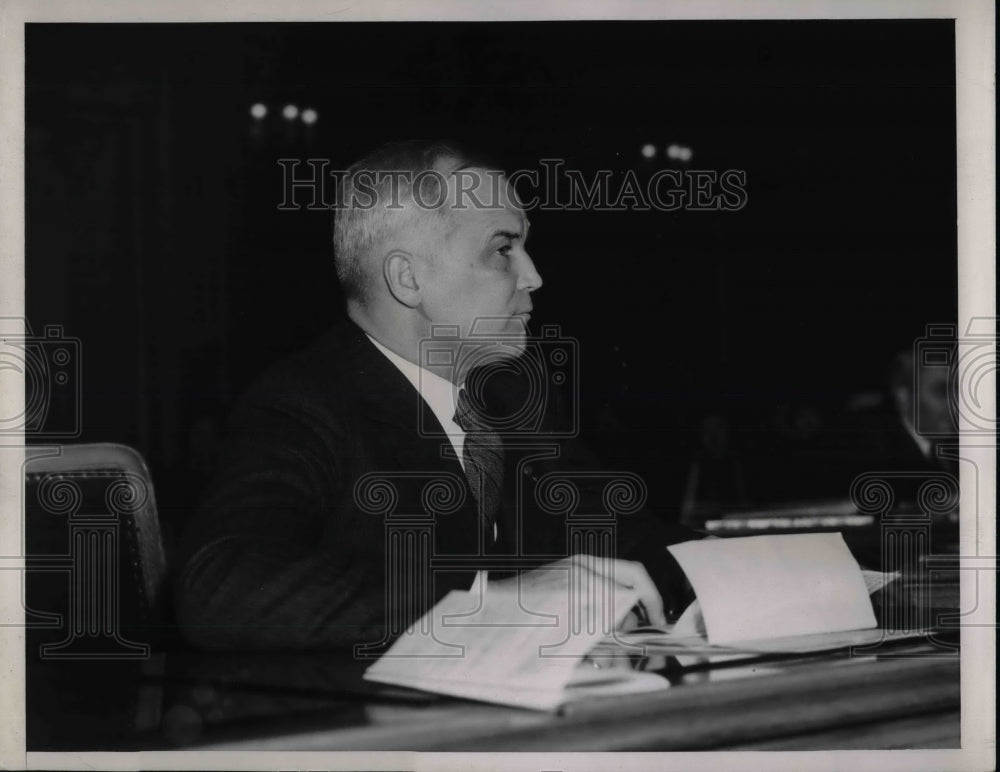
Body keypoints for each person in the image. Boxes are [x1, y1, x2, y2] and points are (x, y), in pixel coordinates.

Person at [174, 140, 698, 651]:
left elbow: (624, 536)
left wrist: (739, 566)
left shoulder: (510, 397)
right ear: (408, 278)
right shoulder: (304, 404)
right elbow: (218, 585)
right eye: (502, 250)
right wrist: (490, 604)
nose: (534, 276)